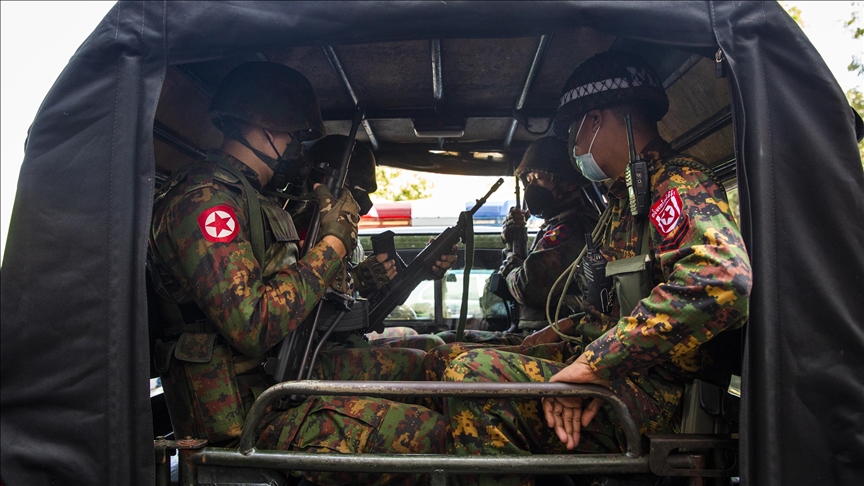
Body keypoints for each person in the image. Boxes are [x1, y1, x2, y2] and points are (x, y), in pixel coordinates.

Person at [442, 50, 752, 486]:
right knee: (456, 361)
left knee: (471, 376)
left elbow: (720, 279)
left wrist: (594, 365)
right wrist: (564, 333)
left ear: (594, 120)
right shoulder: (624, 200)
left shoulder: (675, 183)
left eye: (574, 133)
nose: (574, 148)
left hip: (662, 395)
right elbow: (615, 305)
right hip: (622, 375)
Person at [147, 62, 444, 486]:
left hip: (280, 381)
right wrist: (333, 245)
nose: (296, 146)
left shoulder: (252, 198)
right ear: (262, 126)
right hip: (242, 414)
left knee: (426, 371)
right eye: (292, 134)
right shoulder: (205, 199)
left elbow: (291, 297)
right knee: (433, 436)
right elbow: (252, 324)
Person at [436, 136, 599, 347]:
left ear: (567, 183)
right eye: (528, 181)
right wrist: (514, 241)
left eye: (538, 178)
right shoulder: (556, 226)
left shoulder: (571, 230)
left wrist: (511, 257)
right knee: (446, 339)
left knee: (448, 346)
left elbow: (525, 288)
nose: (531, 187)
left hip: (558, 341)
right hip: (538, 335)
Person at [305, 134, 452, 351]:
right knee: (424, 356)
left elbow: (374, 302)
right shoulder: (305, 231)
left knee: (432, 343)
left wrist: (422, 270)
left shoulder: (345, 235)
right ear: (329, 181)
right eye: (358, 189)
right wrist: (355, 279)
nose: (364, 203)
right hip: (313, 352)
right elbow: (299, 300)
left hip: (343, 341)